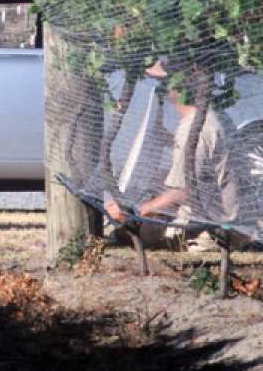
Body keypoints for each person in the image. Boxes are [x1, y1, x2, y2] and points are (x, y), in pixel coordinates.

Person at [105, 59, 253, 249]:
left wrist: (134, 212)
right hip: (234, 223)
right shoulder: (211, 115)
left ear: (180, 84)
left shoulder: (192, 129)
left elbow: (182, 192)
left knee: (122, 229)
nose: (158, 87)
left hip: (212, 231)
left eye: (162, 82)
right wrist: (166, 139)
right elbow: (204, 163)